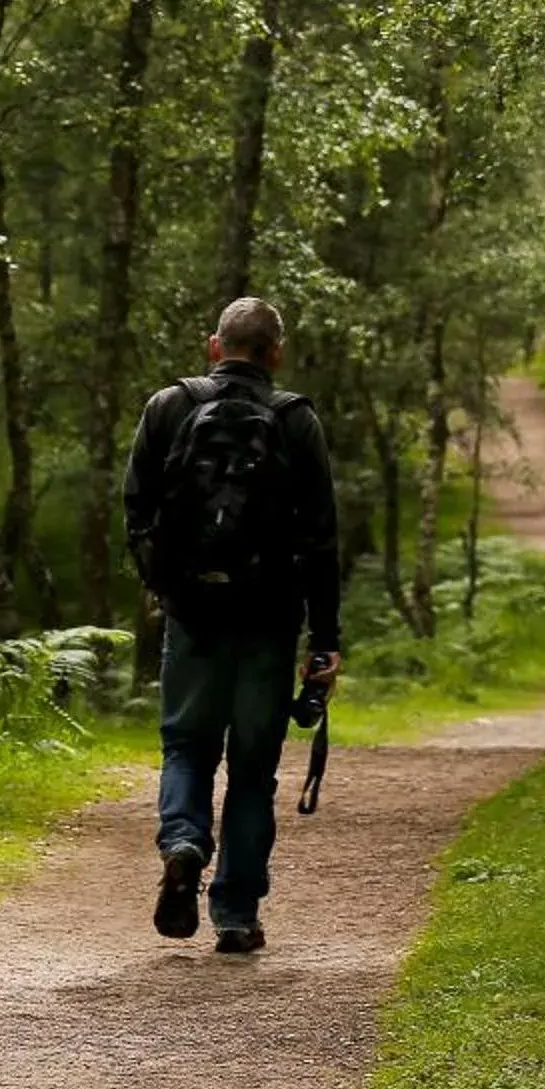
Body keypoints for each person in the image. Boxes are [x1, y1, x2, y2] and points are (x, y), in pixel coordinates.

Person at [123, 296, 343, 953]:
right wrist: (325, 640)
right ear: (276, 352)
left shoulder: (168, 407)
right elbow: (321, 539)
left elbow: (137, 508)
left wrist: (165, 587)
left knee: (187, 745)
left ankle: (185, 842)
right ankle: (237, 915)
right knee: (252, 768)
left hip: (193, 614)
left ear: (214, 346)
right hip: (269, 620)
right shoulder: (296, 421)